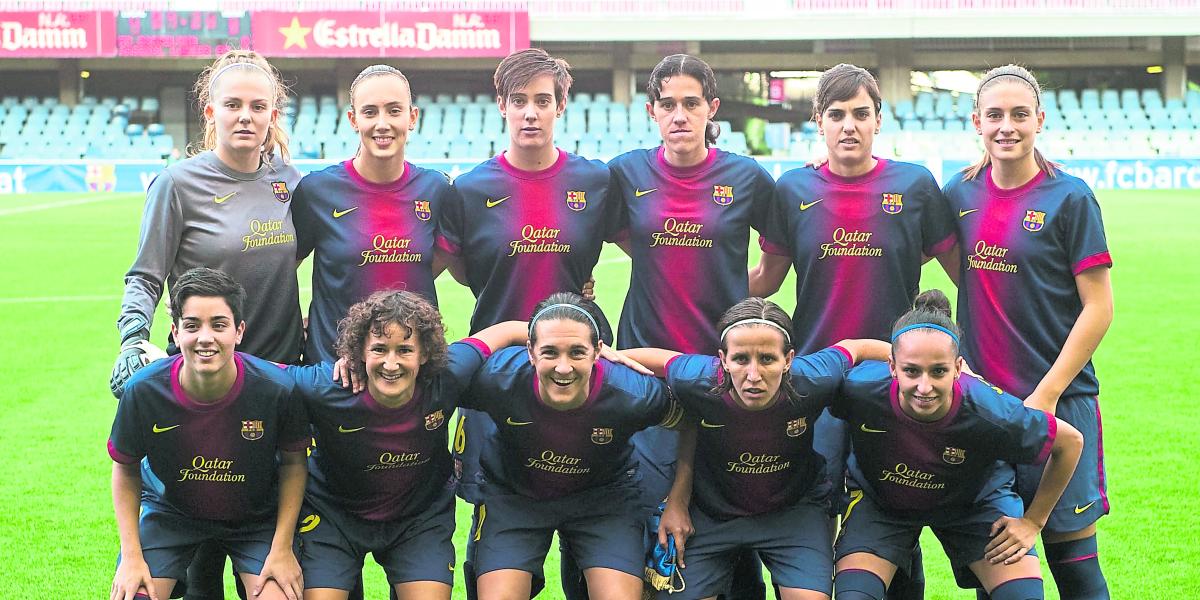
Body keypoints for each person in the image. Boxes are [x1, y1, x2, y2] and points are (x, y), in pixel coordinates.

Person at [748, 63, 959, 599]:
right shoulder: (794, 189)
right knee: (815, 503)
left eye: (861, 114)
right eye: (837, 114)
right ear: (818, 121)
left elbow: (965, 273)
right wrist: (677, 269)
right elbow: (765, 281)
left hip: (897, 382)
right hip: (816, 379)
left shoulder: (914, 185)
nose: (849, 125)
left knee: (893, 505)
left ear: (878, 119)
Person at [111, 49, 302, 600]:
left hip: (273, 386)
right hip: (201, 385)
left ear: (273, 114)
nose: (246, 115)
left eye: (258, 106)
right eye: (233, 104)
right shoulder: (177, 184)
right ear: (210, 111)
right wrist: (132, 339)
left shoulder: (291, 183)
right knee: (199, 550)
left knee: (263, 541)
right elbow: (146, 275)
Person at [440, 48, 620, 598]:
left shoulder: (595, 181)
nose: (530, 112)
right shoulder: (469, 189)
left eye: (543, 100)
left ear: (561, 106)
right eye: (518, 100)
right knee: (498, 523)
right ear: (501, 105)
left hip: (580, 374)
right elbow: (463, 271)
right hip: (498, 378)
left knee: (588, 515)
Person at [607, 54, 776, 600]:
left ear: (712, 108)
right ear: (652, 111)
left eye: (691, 103)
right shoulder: (627, 173)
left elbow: (774, 264)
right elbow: (619, 240)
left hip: (725, 374)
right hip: (645, 371)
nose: (679, 115)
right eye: (668, 104)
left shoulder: (746, 177)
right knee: (646, 509)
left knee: (728, 512)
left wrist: (733, 294)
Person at [943, 64, 1114, 600]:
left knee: (1074, 563)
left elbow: (1099, 307)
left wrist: (1048, 392)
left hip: (1060, 402)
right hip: (986, 406)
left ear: (1039, 119)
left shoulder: (1071, 197)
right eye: (994, 115)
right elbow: (957, 270)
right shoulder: (959, 193)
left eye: (1020, 114)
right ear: (977, 121)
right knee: (996, 561)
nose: (1007, 126)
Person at [619, 297, 890, 600]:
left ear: (789, 359)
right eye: (740, 359)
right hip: (712, 514)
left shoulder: (814, 377)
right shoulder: (698, 378)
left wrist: (904, 362)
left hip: (793, 513)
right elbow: (657, 359)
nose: (753, 375)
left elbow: (855, 347)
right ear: (722, 359)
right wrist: (599, 355)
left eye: (767, 359)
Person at [830, 290, 1083, 600]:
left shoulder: (990, 409)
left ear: (959, 367)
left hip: (975, 504)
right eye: (911, 371)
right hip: (881, 505)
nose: (924, 386)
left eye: (939, 371)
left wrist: (1033, 521)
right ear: (892, 366)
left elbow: (1070, 442)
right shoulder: (859, 388)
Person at [286, 290, 529, 600]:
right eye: (379, 349)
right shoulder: (327, 385)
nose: (391, 363)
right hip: (335, 516)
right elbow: (261, 378)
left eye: (404, 350)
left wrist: (574, 335)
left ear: (425, 354)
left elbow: (505, 331)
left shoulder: (447, 374)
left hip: (419, 519)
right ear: (360, 351)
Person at [465, 293, 682, 600]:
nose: (563, 367)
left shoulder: (633, 391)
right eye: (550, 352)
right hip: (514, 497)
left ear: (598, 352)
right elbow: (433, 385)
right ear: (530, 351)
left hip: (603, 499)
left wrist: (679, 498)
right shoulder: (498, 378)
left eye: (577, 352)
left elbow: (692, 418)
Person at [108, 267, 308, 600]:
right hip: (171, 514)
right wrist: (131, 557)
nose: (205, 337)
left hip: (255, 518)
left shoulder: (276, 390)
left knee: (280, 595)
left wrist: (282, 547)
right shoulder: (144, 390)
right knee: (134, 594)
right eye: (192, 325)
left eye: (218, 324)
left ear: (239, 331)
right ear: (175, 332)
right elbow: (125, 468)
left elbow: (293, 464)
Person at [292, 65, 458, 365]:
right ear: (353, 119)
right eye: (370, 112)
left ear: (412, 117)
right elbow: (283, 270)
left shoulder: (436, 189)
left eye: (394, 111)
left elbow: (436, 263)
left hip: (411, 367)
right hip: (334, 367)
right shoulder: (317, 190)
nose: (382, 123)